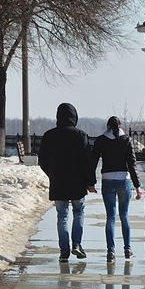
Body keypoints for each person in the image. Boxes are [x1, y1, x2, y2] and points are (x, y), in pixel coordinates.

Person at [39, 103, 97, 261]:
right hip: (77, 183)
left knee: (62, 216)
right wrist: (90, 182)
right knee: (79, 212)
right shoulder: (80, 135)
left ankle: (64, 250)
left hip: (58, 183)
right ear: (74, 117)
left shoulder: (49, 136)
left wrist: (52, 174)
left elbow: (42, 160)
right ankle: (77, 245)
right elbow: (87, 162)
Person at [92, 116, 142, 262]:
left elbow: (93, 160)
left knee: (111, 217)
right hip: (123, 181)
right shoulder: (126, 140)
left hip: (107, 180)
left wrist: (91, 182)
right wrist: (138, 186)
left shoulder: (101, 140)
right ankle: (127, 249)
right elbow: (132, 164)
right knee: (124, 216)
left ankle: (111, 252)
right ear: (120, 126)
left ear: (107, 126)